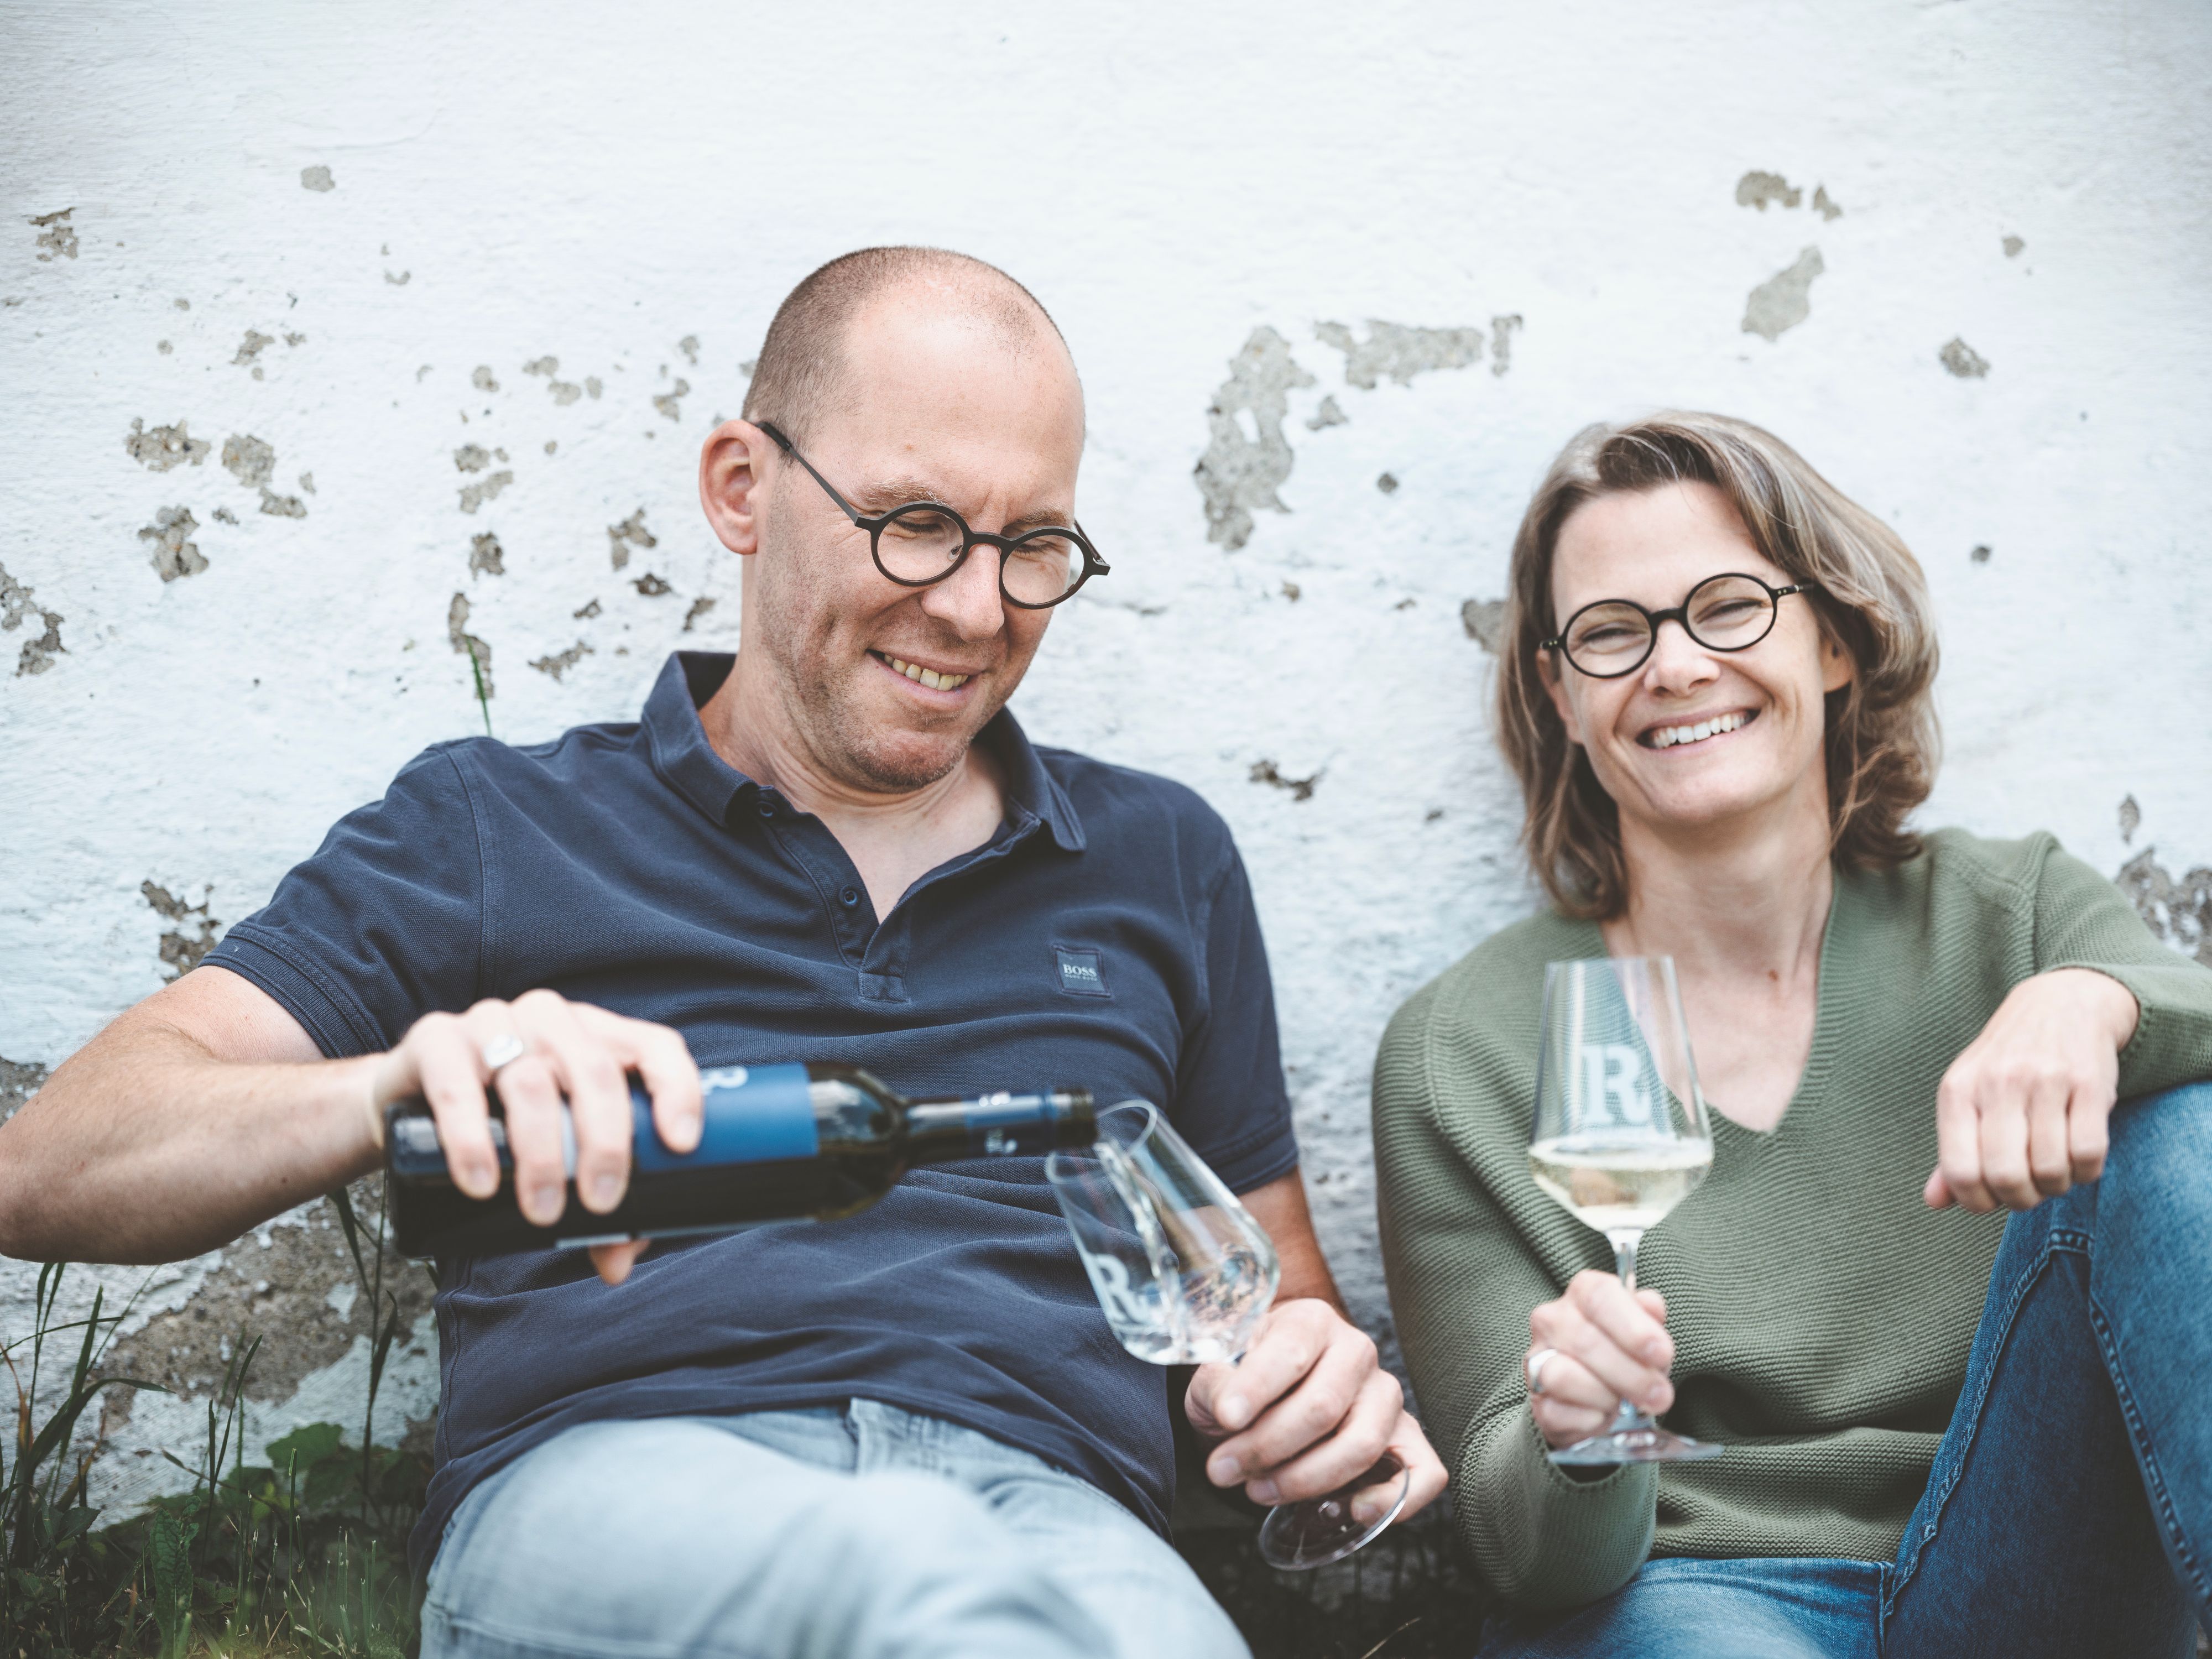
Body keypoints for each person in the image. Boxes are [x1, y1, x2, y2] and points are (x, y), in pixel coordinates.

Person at [1, 246, 1444, 1659]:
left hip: (1066, 1518)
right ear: (742, 489)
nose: (976, 606)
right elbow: (50, 1170)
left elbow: (1268, 1294)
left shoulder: (1160, 858)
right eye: (917, 522)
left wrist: (1314, 1386)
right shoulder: (497, 824)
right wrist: (399, 1090)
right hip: (626, 1492)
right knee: (916, 1582)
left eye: (1033, 547)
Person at [1373, 410, 2212, 1658]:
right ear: (1558, 692)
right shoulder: (1465, 1053)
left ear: (1830, 635)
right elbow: (1514, 1557)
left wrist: (2094, 1001)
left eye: (1725, 607)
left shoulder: (2011, 914)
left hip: (2029, 1558)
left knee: (2175, 1118)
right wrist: (1578, 1437)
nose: (1673, 666)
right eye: (1610, 633)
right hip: (1692, 1600)